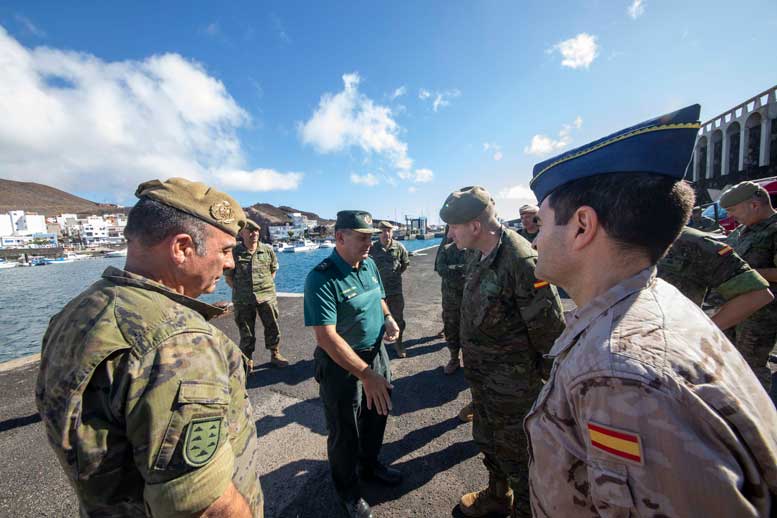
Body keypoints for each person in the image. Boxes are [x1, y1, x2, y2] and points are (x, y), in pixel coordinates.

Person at [525, 104, 777, 517]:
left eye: (544, 223)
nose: (534, 241)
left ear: (582, 226)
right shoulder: (655, 301)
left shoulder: (619, 373)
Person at [35, 178, 263, 517]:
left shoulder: (78, 311)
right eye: (225, 250)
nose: (230, 263)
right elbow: (202, 504)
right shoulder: (181, 343)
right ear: (183, 248)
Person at [439, 186, 565, 517]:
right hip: (484, 381)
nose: (450, 234)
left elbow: (550, 333)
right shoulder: (476, 252)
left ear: (475, 227)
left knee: (520, 458)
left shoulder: (520, 261)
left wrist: (554, 397)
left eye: (454, 226)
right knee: (489, 442)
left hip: (515, 389)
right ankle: (498, 495)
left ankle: (527, 510)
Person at [304, 210, 402, 518]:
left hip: (376, 356)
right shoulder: (321, 276)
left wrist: (387, 318)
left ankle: (370, 466)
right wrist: (365, 374)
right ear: (340, 237)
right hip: (341, 366)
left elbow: (378, 298)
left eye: (371, 237)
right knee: (345, 431)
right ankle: (348, 491)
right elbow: (326, 338)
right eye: (362, 237)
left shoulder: (369, 264)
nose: (369, 243)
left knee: (377, 414)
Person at [720, 181, 777, 401]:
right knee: (729, 361)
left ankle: (760, 414)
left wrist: (748, 273)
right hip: (734, 308)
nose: (732, 217)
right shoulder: (742, 231)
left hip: (761, 314)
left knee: (751, 366)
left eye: (733, 210)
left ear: (753, 205)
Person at [658, 226, 773, 330]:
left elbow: (757, 295)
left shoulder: (693, 242)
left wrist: (702, 332)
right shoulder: (643, 241)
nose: (730, 215)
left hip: (673, 338)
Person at [225, 219, 288, 370]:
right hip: (243, 299)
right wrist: (242, 290)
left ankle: (275, 354)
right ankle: (247, 359)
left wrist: (264, 288)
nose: (254, 234)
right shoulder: (235, 253)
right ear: (242, 233)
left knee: (272, 325)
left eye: (257, 231)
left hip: (266, 296)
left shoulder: (267, 250)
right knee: (246, 330)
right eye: (250, 231)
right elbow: (228, 277)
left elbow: (273, 270)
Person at [368, 220, 410, 357]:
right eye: (383, 231)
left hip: (395, 291)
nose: (386, 233)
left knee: (398, 320)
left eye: (388, 230)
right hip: (377, 292)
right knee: (376, 321)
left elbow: (404, 264)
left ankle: (399, 344)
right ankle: (377, 349)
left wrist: (394, 277)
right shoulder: (372, 248)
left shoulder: (399, 247)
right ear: (379, 233)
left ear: (392, 232)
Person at [433, 227, 470, 375]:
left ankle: (470, 361)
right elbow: (441, 269)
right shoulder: (447, 250)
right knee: (451, 329)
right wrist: (463, 271)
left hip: (470, 299)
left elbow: (477, 269)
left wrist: (455, 268)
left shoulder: (474, 251)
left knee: (471, 331)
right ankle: (454, 359)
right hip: (451, 300)